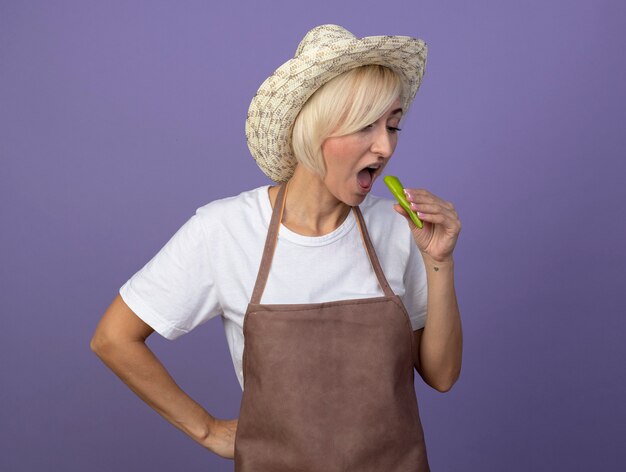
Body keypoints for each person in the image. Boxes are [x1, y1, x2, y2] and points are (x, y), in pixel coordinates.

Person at [91, 24, 462, 471]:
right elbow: (113, 338)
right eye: (365, 126)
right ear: (314, 129)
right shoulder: (225, 230)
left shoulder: (398, 229)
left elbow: (441, 376)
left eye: (393, 125)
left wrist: (439, 262)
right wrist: (206, 429)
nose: (385, 147)